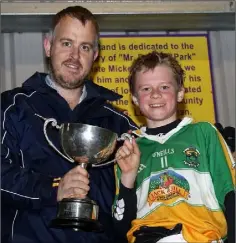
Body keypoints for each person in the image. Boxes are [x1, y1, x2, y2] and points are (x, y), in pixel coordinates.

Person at [1, 6, 138, 243]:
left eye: (84, 47)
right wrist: (53, 188)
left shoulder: (118, 123)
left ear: (95, 55)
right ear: (48, 46)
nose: (75, 56)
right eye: (66, 43)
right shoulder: (12, 107)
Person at [112, 51, 235, 243]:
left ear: (180, 93)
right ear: (134, 99)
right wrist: (127, 178)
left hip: (201, 236)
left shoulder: (204, 133)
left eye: (164, 86)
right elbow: (120, 228)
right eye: (145, 89)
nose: (155, 94)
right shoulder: (129, 149)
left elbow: (230, 193)